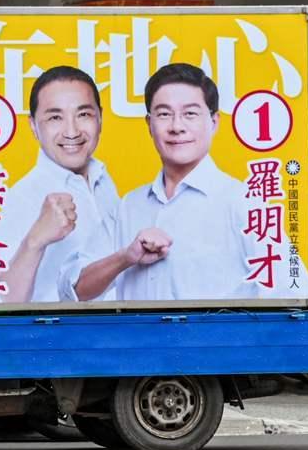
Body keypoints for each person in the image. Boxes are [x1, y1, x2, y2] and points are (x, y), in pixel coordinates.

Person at [72, 63, 282, 302]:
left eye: (190, 114)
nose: (176, 127)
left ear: (214, 122)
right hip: (137, 339)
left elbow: (287, 293)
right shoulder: (128, 206)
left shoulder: (245, 201)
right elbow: (75, 290)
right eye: (164, 114)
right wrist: (126, 257)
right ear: (149, 125)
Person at [0, 66, 120, 303]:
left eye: (83, 115)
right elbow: (2, 302)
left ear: (100, 117)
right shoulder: (22, 196)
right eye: (55, 117)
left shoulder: (102, 178)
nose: (72, 131)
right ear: (33, 126)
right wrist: (35, 241)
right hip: (57, 335)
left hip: (118, 330)